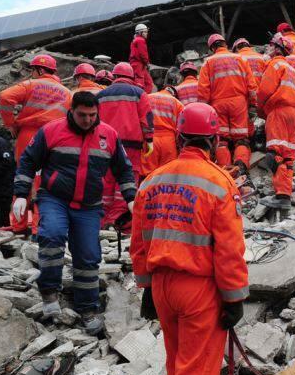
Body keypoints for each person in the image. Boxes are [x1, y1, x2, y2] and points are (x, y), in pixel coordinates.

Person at [129, 102, 248, 375]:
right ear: (215, 141)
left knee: (177, 360)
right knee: (197, 374)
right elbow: (229, 249)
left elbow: (139, 243)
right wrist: (234, 297)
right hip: (198, 289)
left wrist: (146, 286)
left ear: (180, 139)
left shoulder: (152, 181)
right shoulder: (219, 182)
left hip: (161, 287)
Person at [13, 91, 137, 334]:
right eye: (82, 115)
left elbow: (124, 169)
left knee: (88, 257)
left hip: (89, 205)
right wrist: (20, 193)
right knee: (52, 236)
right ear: (72, 111)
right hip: (54, 198)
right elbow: (28, 161)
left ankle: (88, 308)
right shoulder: (51, 131)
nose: (88, 120)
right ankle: (49, 292)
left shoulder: (108, 135)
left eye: (92, 115)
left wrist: (131, 198)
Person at [0, 54, 72, 233]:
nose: (31, 74)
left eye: (32, 70)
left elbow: (5, 97)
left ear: (39, 70)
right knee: (46, 180)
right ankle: (39, 226)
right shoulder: (67, 92)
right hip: (54, 136)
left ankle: (19, 224)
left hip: (29, 134)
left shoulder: (31, 84)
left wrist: (11, 124)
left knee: (23, 175)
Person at [96, 62, 153, 226]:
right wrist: (149, 139)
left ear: (114, 76)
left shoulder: (101, 95)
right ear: (131, 76)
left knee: (107, 179)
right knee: (127, 178)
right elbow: (146, 118)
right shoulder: (139, 93)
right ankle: (119, 219)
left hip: (105, 143)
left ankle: (103, 218)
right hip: (131, 144)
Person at [256, 35, 295, 210]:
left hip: (278, 111)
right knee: (288, 157)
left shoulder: (275, 65)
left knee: (274, 153)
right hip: (294, 114)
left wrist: (262, 111)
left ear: (277, 49)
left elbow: (263, 92)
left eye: (271, 45)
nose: (268, 48)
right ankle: (284, 194)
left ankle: (281, 195)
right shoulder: (293, 70)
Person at [198, 34, 257, 174]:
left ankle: (225, 171)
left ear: (212, 47)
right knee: (241, 139)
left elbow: (203, 89)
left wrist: (203, 109)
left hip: (217, 104)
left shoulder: (208, 62)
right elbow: (251, 84)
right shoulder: (240, 58)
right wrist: (253, 104)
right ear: (225, 44)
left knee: (222, 139)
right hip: (239, 103)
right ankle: (241, 167)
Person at [141, 86, 184, 176]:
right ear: (174, 94)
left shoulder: (147, 97)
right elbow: (181, 127)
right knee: (168, 173)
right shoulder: (177, 103)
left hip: (150, 139)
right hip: (169, 142)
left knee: (147, 173)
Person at [233, 38, 268, 145]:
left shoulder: (237, 58)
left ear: (237, 48)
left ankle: (250, 144)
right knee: (263, 122)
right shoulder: (261, 58)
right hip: (261, 96)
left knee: (247, 123)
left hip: (244, 97)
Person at [129, 23, 154, 93]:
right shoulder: (140, 40)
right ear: (140, 33)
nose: (147, 34)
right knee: (140, 84)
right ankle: (141, 98)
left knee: (148, 82)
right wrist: (147, 63)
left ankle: (145, 97)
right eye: (145, 32)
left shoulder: (135, 40)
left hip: (138, 64)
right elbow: (143, 54)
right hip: (138, 65)